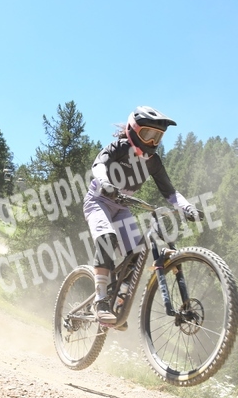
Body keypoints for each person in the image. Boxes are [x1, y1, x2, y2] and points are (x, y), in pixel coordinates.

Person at [83, 105, 201, 326]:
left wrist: (187, 207)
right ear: (133, 130)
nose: (152, 141)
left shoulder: (153, 162)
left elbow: (170, 192)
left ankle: (119, 301)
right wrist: (105, 183)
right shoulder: (119, 147)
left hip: (122, 207)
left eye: (158, 136)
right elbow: (98, 165)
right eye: (148, 134)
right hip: (98, 200)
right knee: (107, 239)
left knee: (136, 255)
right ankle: (100, 300)